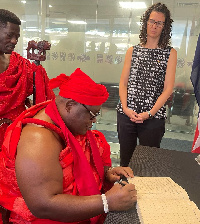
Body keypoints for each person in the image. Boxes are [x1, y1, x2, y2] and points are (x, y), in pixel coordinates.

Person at [0, 68, 137, 224]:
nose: (94, 122)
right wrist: (107, 202)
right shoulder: (38, 139)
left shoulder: (63, 119)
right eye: (92, 115)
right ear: (70, 105)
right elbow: (43, 205)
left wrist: (106, 174)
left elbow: (79, 169)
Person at [117, 2, 177, 166]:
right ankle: (123, 191)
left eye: (159, 23)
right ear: (146, 23)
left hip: (153, 118)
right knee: (125, 161)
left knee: (148, 164)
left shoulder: (169, 53)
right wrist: (126, 108)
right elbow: (123, 83)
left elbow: (168, 88)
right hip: (126, 114)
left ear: (164, 27)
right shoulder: (132, 51)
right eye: (151, 21)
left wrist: (149, 113)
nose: (154, 26)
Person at [0, 9, 54, 150]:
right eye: (9, 35)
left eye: (17, 37)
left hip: (17, 133)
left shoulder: (19, 64)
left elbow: (41, 96)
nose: (14, 41)